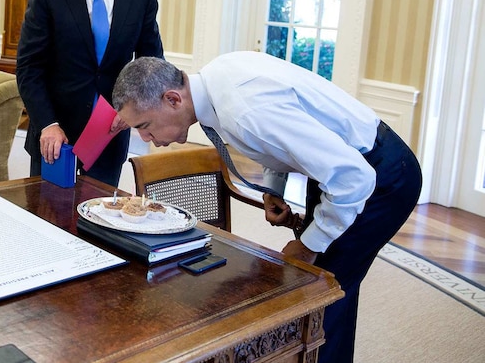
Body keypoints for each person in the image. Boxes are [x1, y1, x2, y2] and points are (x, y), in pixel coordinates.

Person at [111, 53, 422, 363]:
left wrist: (308, 245)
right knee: (328, 290)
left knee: (320, 295)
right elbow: (288, 130)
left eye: (145, 126)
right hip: (337, 172)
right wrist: (274, 187)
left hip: (378, 177)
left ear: (173, 99)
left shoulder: (245, 110)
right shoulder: (216, 80)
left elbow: (354, 178)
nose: (144, 137)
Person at [16, 0, 164, 187]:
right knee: (48, 219)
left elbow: (152, 64)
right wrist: (47, 123)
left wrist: (132, 108)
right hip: (54, 135)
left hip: (110, 133)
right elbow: (29, 67)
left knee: (99, 221)